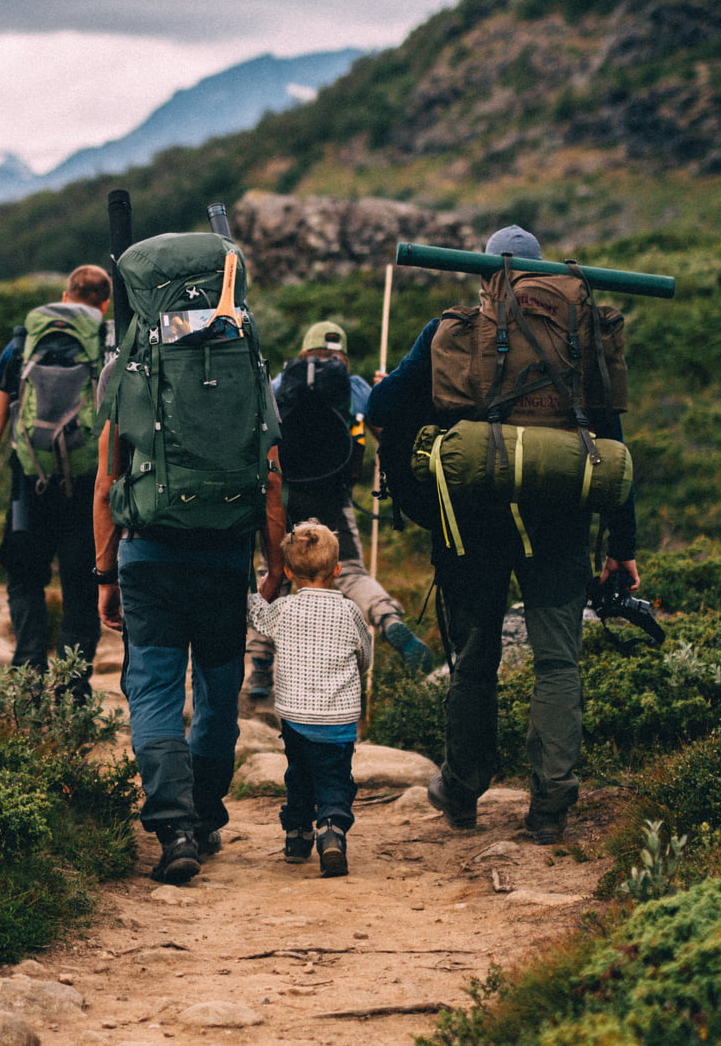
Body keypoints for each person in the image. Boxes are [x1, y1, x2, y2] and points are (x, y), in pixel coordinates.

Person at [366, 225, 640, 845]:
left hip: (472, 524)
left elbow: (383, 410)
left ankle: (462, 790)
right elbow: (611, 440)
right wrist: (622, 546)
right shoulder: (579, 335)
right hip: (560, 519)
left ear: (483, 276)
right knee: (558, 662)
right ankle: (551, 806)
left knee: (474, 661)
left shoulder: (451, 332)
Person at [94, 307, 287, 884]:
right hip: (225, 559)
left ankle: (174, 827)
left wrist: (104, 574)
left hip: (148, 556)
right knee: (218, 691)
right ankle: (204, 817)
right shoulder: (245, 362)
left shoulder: (125, 367)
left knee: (154, 689)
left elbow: (107, 482)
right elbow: (272, 476)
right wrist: (274, 565)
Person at [251, 321, 428, 700]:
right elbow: (386, 431)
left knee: (274, 572)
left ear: (304, 352)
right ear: (343, 355)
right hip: (332, 495)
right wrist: (385, 391)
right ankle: (388, 619)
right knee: (349, 571)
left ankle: (260, 665)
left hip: (284, 495)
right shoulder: (354, 385)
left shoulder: (281, 382)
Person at [0, 264, 113, 697]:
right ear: (104, 305)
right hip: (91, 487)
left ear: (65, 297)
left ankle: (28, 676)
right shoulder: (110, 346)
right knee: (82, 586)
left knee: (25, 579)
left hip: (30, 483)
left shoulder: (22, 344)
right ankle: (72, 689)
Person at [246, 520, 372, 878]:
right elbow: (364, 656)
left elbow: (256, 614)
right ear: (337, 569)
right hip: (339, 721)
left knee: (299, 776)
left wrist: (256, 587)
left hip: (296, 718)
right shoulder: (349, 611)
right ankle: (331, 831)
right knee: (335, 778)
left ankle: (297, 837)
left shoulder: (284, 609)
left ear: (288, 572)